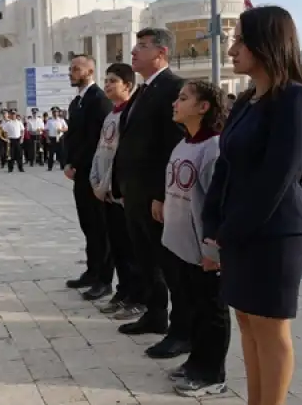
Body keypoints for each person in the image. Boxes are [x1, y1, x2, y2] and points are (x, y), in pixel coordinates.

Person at [202, 6, 302, 405]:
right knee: (247, 323)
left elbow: (276, 179)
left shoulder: (295, 101)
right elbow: (225, 166)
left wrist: (228, 233)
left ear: (265, 44)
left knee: (271, 330)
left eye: (239, 40)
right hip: (238, 230)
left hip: (275, 232)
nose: (232, 49)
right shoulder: (247, 99)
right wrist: (211, 224)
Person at [112, 28, 190, 361]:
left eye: (142, 47)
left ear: (161, 52)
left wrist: (161, 194)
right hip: (135, 193)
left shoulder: (174, 88)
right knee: (145, 258)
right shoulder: (144, 90)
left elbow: (172, 147)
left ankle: (182, 330)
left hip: (155, 195)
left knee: (169, 265)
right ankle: (155, 313)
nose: (133, 51)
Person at [163, 80, 230, 398]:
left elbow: (217, 203)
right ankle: (196, 361)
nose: (176, 103)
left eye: (183, 98)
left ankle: (212, 373)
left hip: (204, 249)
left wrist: (212, 249)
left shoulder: (214, 147)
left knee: (211, 310)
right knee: (193, 306)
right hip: (180, 245)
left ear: (204, 107)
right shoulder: (184, 143)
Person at [63, 54, 115, 301]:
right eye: (71, 68)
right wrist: (67, 162)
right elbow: (72, 137)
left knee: (100, 227)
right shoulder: (77, 102)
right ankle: (92, 271)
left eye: (76, 68)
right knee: (87, 225)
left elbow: (98, 140)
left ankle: (104, 279)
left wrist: (82, 165)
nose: (71, 72)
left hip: (93, 174)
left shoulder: (99, 100)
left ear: (90, 70)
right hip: (79, 173)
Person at [89, 63, 135, 315]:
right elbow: (101, 151)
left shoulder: (131, 114)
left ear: (127, 85)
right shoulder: (111, 115)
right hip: (104, 191)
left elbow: (122, 156)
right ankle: (123, 292)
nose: (107, 85)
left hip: (120, 193)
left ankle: (135, 297)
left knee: (130, 251)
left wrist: (107, 184)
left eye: (113, 81)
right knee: (116, 246)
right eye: (105, 80)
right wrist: (95, 181)